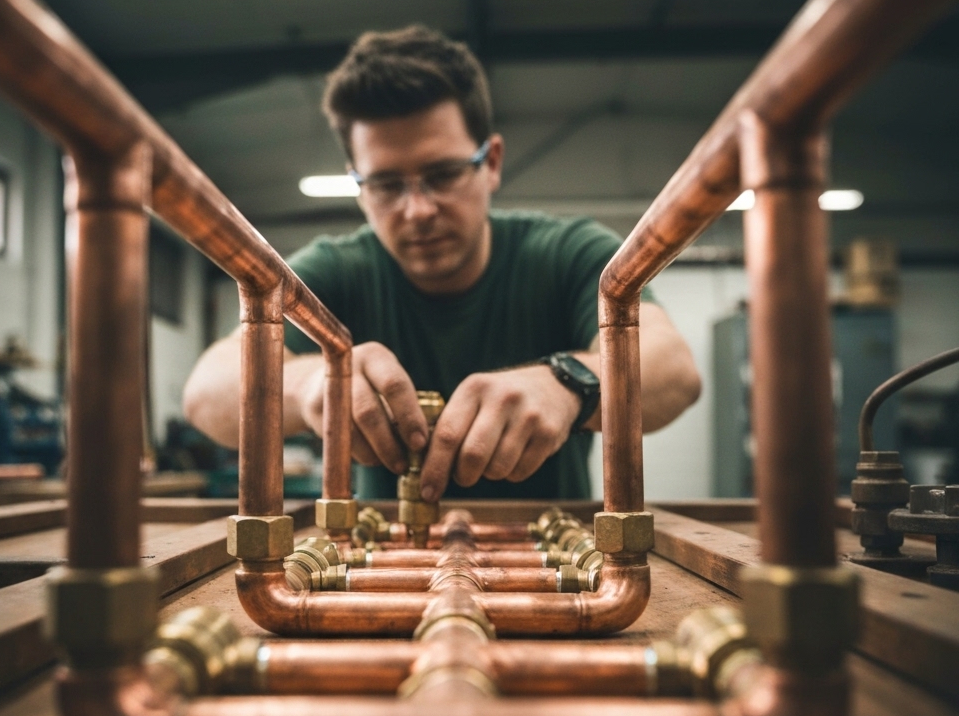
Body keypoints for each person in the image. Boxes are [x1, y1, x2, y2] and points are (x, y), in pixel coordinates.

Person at [184, 26, 700, 503]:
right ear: (358, 189)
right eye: (386, 185)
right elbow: (206, 392)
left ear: (491, 162)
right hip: (383, 569)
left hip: (560, 568)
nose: (419, 209)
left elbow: (674, 371)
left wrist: (569, 383)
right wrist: (309, 386)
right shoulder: (335, 271)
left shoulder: (568, 253)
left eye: (444, 173)